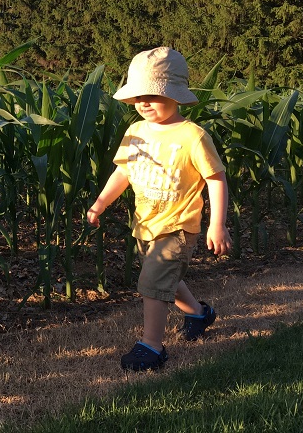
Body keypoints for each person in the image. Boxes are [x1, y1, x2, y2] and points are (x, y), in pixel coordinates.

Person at [87, 46, 232, 372]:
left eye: (153, 95)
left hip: (178, 226)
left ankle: (151, 346)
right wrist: (101, 203)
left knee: (153, 282)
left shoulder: (192, 136)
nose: (144, 103)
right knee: (164, 279)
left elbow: (216, 178)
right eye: (139, 96)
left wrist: (217, 224)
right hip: (146, 224)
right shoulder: (136, 132)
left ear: (175, 94)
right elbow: (123, 172)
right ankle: (198, 314)